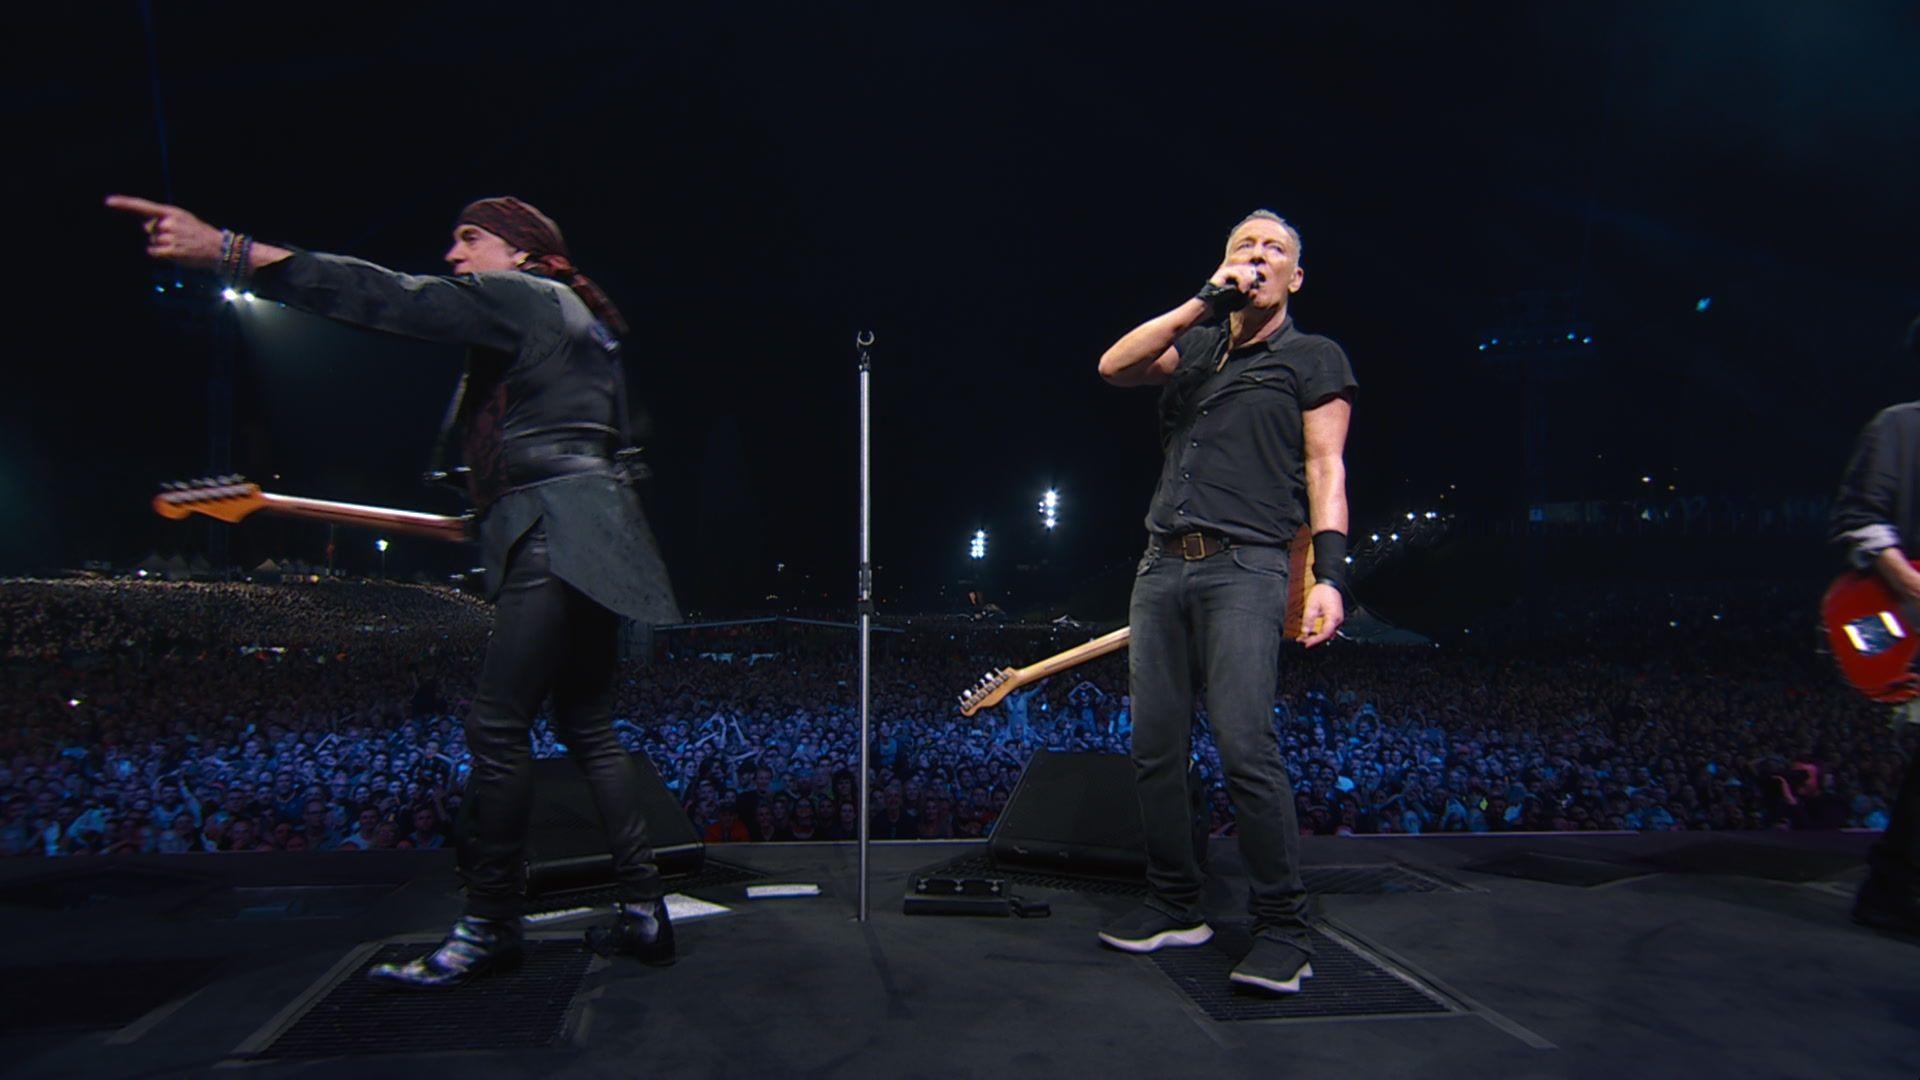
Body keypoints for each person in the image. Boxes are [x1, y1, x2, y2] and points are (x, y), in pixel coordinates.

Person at [108, 193, 683, 985]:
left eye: (469, 239)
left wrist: (236, 253)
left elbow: (394, 299)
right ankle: (645, 912)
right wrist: (480, 516)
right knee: (588, 725)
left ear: (519, 251)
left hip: (552, 530)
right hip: (596, 533)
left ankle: (489, 927)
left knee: (497, 726)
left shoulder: (525, 296)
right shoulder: (584, 325)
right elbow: (581, 453)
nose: (453, 255)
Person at [1093, 210, 1356, 994]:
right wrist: (1202, 303)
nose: (1259, 256)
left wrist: (1331, 577)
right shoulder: (1198, 347)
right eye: (1245, 246)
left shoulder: (1313, 356)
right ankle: (1178, 903)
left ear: (1296, 277)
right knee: (1156, 749)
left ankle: (1283, 927)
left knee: (1246, 746)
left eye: (1275, 249)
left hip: (1247, 566)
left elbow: (1326, 469)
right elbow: (1112, 365)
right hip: (1160, 565)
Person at [1828, 314, 1920, 941]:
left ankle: (1890, 886)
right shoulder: (1900, 426)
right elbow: (1860, 517)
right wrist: (1908, 582)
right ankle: (1889, 889)